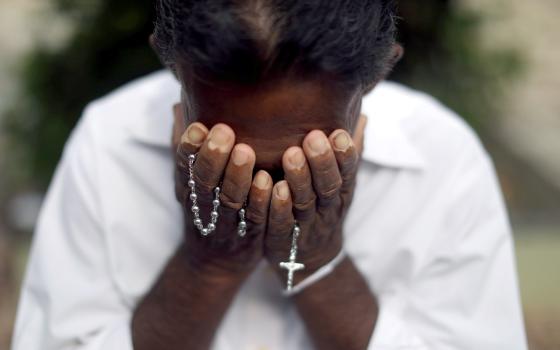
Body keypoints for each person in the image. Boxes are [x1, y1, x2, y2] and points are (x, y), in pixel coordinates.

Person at [12, 1, 527, 349]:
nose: (263, 191)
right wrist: (207, 262)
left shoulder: (443, 160)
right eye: (227, 148)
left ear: (375, 78)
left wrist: (319, 258)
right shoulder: (109, 143)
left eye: (298, 160)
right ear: (173, 69)